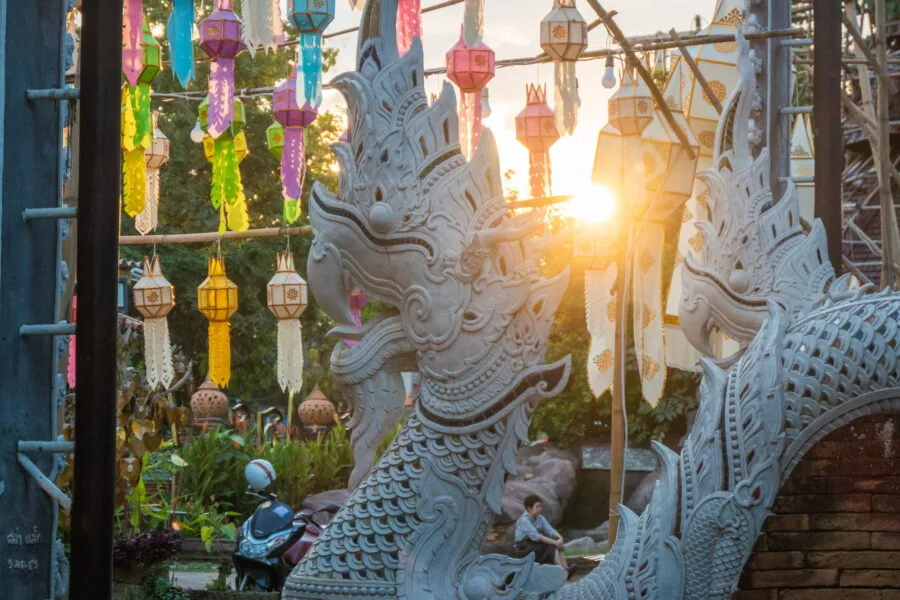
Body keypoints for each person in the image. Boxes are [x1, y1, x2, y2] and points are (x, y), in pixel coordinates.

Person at [513, 495, 576, 578]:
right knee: (552, 545)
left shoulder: (540, 518)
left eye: (541, 506)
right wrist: (555, 542)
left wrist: (560, 538)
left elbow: (550, 530)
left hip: (533, 544)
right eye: (537, 507)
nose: (540, 509)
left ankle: (565, 567)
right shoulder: (524, 520)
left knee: (557, 541)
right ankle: (562, 572)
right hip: (523, 547)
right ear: (529, 508)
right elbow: (536, 537)